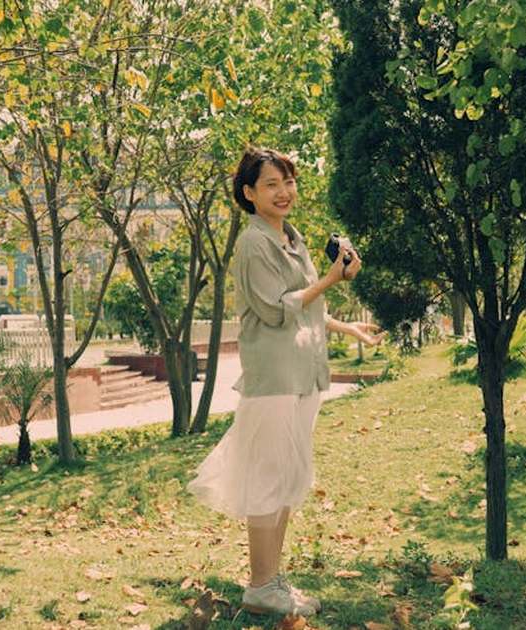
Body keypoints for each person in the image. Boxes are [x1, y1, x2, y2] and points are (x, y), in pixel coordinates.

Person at [186, 147, 385, 616]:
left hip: (303, 375)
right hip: (274, 377)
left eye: (288, 182)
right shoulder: (253, 244)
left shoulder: (291, 238)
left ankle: (273, 579)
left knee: (290, 478)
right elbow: (276, 308)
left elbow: (306, 304)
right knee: (268, 479)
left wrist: (347, 327)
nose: (284, 192)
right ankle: (259, 585)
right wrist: (332, 280)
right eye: (271, 184)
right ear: (249, 193)